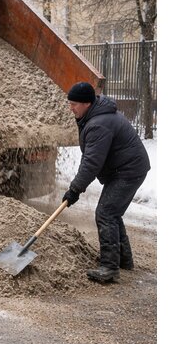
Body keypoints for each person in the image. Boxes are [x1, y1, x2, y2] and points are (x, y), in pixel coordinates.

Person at [61, 82, 150, 284]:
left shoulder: (98, 124)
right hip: (126, 168)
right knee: (112, 212)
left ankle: (109, 268)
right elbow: (92, 159)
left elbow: (91, 162)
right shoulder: (94, 116)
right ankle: (124, 261)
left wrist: (75, 189)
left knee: (106, 212)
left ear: (86, 103)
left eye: (74, 104)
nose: (71, 108)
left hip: (128, 171)